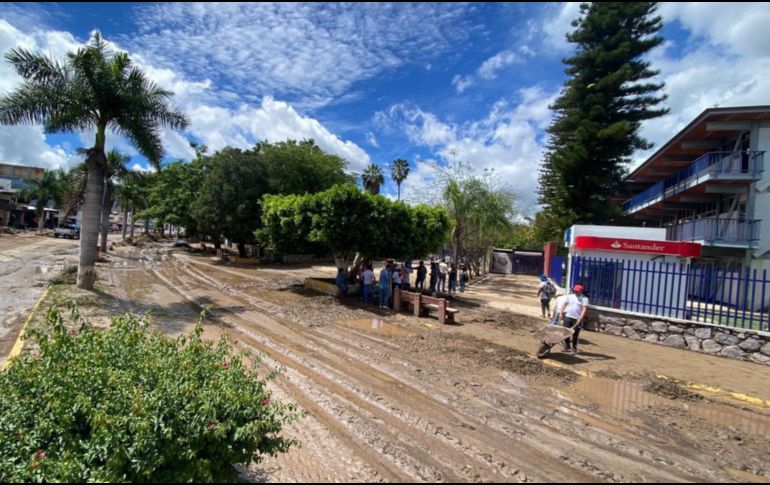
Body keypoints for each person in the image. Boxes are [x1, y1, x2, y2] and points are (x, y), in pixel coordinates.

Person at [560, 284, 589, 354]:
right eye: (575, 291)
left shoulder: (585, 299)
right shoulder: (569, 297)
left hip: (576, 318)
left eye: (577, 291)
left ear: (581, 291)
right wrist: (561, 313)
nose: (576, 292)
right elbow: (564, 305)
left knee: (575, 334)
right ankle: (567, 346)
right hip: (568, 317)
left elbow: (584, 309)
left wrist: (580, 318)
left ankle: (574, 348)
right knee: (565, 332)